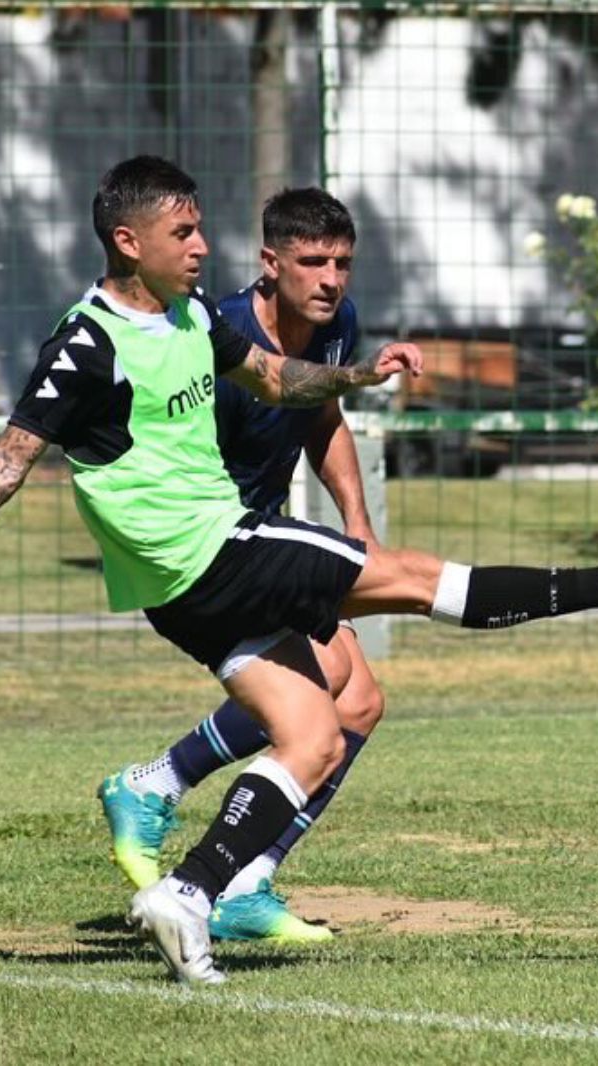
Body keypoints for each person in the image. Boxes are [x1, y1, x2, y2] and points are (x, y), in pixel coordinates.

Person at [0, 155, 598, 987]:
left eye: (198, 229)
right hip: (212, 549)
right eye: (180, 232)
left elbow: (273, 375)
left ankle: (192, 894)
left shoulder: (189, 312)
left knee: (316, 733)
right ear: (127, 240)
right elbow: (7, 459)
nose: (198, 246)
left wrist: (359, 375)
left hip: (184, 584)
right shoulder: (86, 344)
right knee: (410, 577)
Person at [97, 186, 393, 946]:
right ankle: (161, 788)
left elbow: (320, 413)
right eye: (312, 262)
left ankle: (247, 876)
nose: (331, 279)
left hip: (266, 533)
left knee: (358, 701)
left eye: (342, 264)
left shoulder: (334, 324)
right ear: (270, 264)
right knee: (329, 684)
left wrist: (357, 530)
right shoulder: (216, 333)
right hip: (216, 543)